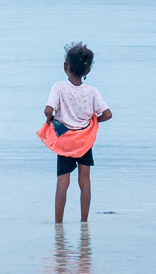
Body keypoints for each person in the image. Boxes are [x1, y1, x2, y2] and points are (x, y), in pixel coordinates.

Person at [38, 42, 112, 223]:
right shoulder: (92, 91)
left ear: (65, 67)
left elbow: (49, 110)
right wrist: (93, 122)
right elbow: (107, 114)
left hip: (65, 141)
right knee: (84, 181)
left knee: (63, 182)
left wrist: (50, 120)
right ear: (88, 71)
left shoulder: (59, 88)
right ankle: (84, 223)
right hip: (84, 141)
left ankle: (58, 224)